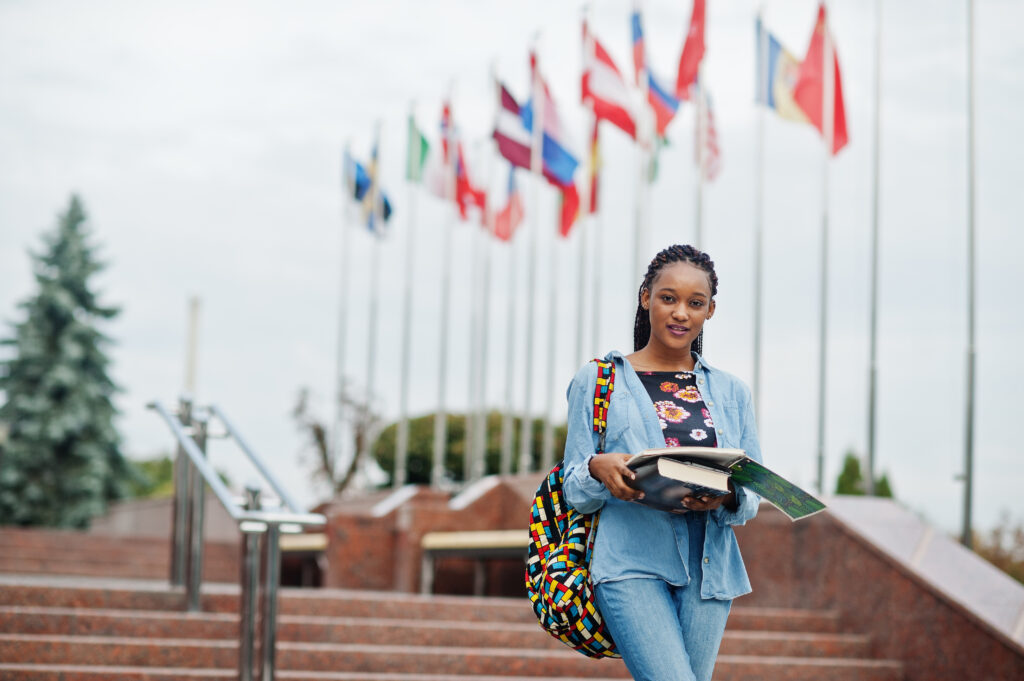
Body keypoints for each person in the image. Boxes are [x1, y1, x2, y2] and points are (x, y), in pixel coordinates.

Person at [562, 244, 762, 681]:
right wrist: (598, 468)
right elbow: (573, 489)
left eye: (695, 303)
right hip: (630, 561)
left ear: (710, 311)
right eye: (668, 298)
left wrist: (727, 494)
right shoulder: (599, 379)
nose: (680, 313)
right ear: (645, 297)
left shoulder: (732, 393)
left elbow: (750, 498)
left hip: (711, 572)